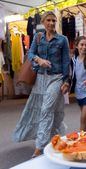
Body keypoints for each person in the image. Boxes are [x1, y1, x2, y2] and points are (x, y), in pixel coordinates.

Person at [13, 11, 70, 158]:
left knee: (46, 109)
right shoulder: (38, 38)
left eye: (54, 21)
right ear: (43, 22)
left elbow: (66, 62)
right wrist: (39, 60)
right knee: (50, 109)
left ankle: (39, 146)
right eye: (49, 20)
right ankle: (55, 138)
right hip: (40, 79)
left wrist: (66, 81)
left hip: (56, 78)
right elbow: (30, 54)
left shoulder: (62, 40)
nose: (51, 23)